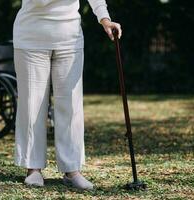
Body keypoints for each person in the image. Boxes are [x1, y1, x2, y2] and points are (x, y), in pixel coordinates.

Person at [12, 0, 122, 190]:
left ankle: (72, 170)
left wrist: (104, 18)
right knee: (32, 106)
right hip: (31, 38)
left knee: (71, 105)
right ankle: (33, 169)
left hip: (69, 39)